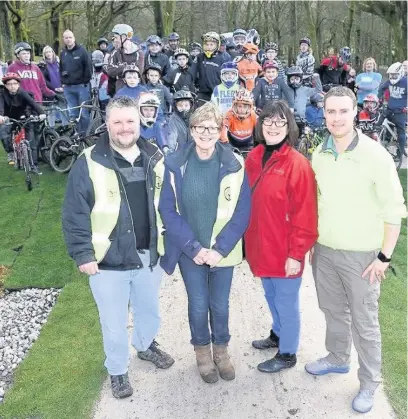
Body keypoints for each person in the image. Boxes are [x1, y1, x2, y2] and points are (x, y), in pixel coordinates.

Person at [62, 95, 174, 400]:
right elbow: (74, 212)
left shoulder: (155, 156)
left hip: (148, 255)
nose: (125, 128)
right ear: (107, 124)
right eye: (118, 122)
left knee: (149, 311)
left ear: (139, 123)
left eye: (130, 121)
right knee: (113, 322)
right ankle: (117, 369)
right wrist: (83, 254)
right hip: (108, 260)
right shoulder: (89, 161)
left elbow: (169, 205)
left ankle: (145, 345)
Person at [305, 86, 406, 414]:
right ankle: (336, 358)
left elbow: (394, 210)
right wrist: (312, 243)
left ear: (355, 112)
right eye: (330, 112)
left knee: (364, 321)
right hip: (325, 250)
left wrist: (384, 256)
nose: (336, 118)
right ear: (324, 113)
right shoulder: (319, 153)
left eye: (342, 111)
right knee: (332, 310)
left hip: (363, 256)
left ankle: (369, 383)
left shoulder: (376, 155)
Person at [158, 102, 251, 384]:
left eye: (212, 127)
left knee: (220, 305)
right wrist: (194, 248)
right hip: (191, 252)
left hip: (222, 253)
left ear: (221, 130)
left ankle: (221, 352)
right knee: (198, 304)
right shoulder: (175, 163)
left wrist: (220, 249)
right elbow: (167, 210)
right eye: (200, 127)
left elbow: (242, 211)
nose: (206, 132)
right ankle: (202, 353)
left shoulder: (234, 164)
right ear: (192, 129)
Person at [245, 100, 318, 373]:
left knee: (286, 302)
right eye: (268, 120)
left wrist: (296, 254)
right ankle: (277, 334)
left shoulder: (297, 164)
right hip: (261, 245)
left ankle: (288, 353)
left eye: (280, 122)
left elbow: (306, 215)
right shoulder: (253, 157)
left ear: (289, 127)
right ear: (260, 124)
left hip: (285, 249)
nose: (273, 126)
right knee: (271, 294)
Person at [0, 72, 46, 173]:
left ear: (18, 84)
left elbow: (32, 103)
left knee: (31, 142)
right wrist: (1, 116)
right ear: (6, 86)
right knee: (3, 133)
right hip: (8, 117)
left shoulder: (22, 92)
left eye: (14, 83)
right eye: (9, 84)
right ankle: (11, 152)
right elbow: (1, 106)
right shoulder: (2, 94)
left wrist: (41, 113)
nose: (12, 86)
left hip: (23, 115)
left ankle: (33, 166)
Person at [59, 30, 92, 133]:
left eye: (70, 37)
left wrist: (85, 82)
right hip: (68, 88)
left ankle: (85, 135)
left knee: (84, 113)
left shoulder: (82, 51)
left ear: (74, 38)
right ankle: (77, 134)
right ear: (63, 39)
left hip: (81, 86)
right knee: (73, 114)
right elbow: (60, 68)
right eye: (66, 38)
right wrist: (63, 82)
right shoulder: (63, 53)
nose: (68, 40)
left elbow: (88, 68)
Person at [104, 24, 145, 93]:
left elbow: (138, 71)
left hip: (136, 90)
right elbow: (110, 70)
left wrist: (120, 68)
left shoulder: (139, 53)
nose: (115, 40)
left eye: (116, 37)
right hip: (120, 89)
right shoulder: (115, 52)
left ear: (123, 37)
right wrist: (128, 67)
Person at [378, 62, 407, 154]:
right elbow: (381, 88)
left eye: (395, 75)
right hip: (389, 109)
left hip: (400, 112)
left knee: (401, 132)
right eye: (391, 75)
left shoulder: (405, 82)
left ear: (401, 73)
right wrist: (379, 99)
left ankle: (400, 153)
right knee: (376, 124)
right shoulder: (389, 82)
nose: (393, 77)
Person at [195, 32, 231, 103]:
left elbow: (228, 76)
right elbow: (192, 73)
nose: (209, 47)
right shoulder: (200, 57)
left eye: (211, 45)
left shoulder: (223, 58)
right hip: (203, 93)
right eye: (207, 44)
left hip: (218, 93)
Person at [220, 87, 257, 151]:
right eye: (239, 106)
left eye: (245, 106)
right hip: (232, 144)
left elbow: (259, 131)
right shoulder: (230, 114)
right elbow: (224, 128)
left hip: (249, 145)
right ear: (234, 106)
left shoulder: (253, 115)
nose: (242, 109)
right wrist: (225, 141)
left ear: (250, 107)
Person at [38, 45, 64, 126]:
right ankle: (51, 128)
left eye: (49, 52)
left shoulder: (59, 63)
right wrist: (54, 88)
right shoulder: (43, 65)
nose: (48, 54)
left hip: (62, 89)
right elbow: (44, 80)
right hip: (50, 91)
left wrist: (63, 85)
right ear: (44, 54)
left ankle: (65, 127)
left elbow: (63, 74)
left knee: (63, 109)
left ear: (53, 52)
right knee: (51, 110)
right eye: (46, 52)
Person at [166, 87, 195, 152]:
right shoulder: (173, 120)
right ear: (175, 106)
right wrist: (171, 152)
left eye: (186, 105)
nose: (183, 108)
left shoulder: (194, 118)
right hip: (179, 152)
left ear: (191, 106)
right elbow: (171, 138)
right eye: (180, 105)